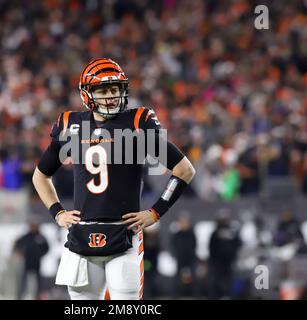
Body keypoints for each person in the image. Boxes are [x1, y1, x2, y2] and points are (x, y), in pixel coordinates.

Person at [32, 58, 195, 300]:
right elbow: (40, 176)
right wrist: (57, 212)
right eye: (102, 90)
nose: (110, 96)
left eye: (114, 89)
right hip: (82, 235)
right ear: (87, 94)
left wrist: (155, 212)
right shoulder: (71, 125)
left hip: (124, 234)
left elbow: (184, 169)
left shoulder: (137, 123)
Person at [13, 219, 49, 300]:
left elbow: (46, 248)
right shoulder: (25, 237)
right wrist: (19, 252)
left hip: (37, 263)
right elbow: (17, 245)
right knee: (23, 282)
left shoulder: (41, 237)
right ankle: (20, 296)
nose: (33, 227)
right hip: (26, 263)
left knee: (38, 282)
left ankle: (38, 296)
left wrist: (40, 254)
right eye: (32, 225)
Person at [170, 212, 197, 298]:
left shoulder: (192, 234)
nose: (184, 224)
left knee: (193, 277)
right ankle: (176, 296)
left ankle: (193, 295)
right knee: (177, 278)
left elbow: (194, 246)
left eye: (185, 222)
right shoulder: (177, 234)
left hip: (190, 259)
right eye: (182, 222)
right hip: (179, 259)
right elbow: (173, 246)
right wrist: (176, 255)